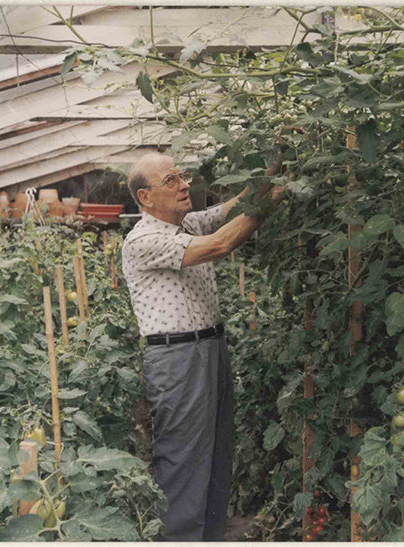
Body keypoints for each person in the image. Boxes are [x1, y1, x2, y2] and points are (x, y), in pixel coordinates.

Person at [121, 152, 283, 541]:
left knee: (216, 453)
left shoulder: (184, 224)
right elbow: (219, 245)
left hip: (210, 347)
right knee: (183, 460)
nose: (184, 184)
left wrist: (276, 165)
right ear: (145, 197)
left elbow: (232, 208)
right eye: (171, 180)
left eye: (183, 175)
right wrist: (271, 201)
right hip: (177, 358)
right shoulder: (143, 239)